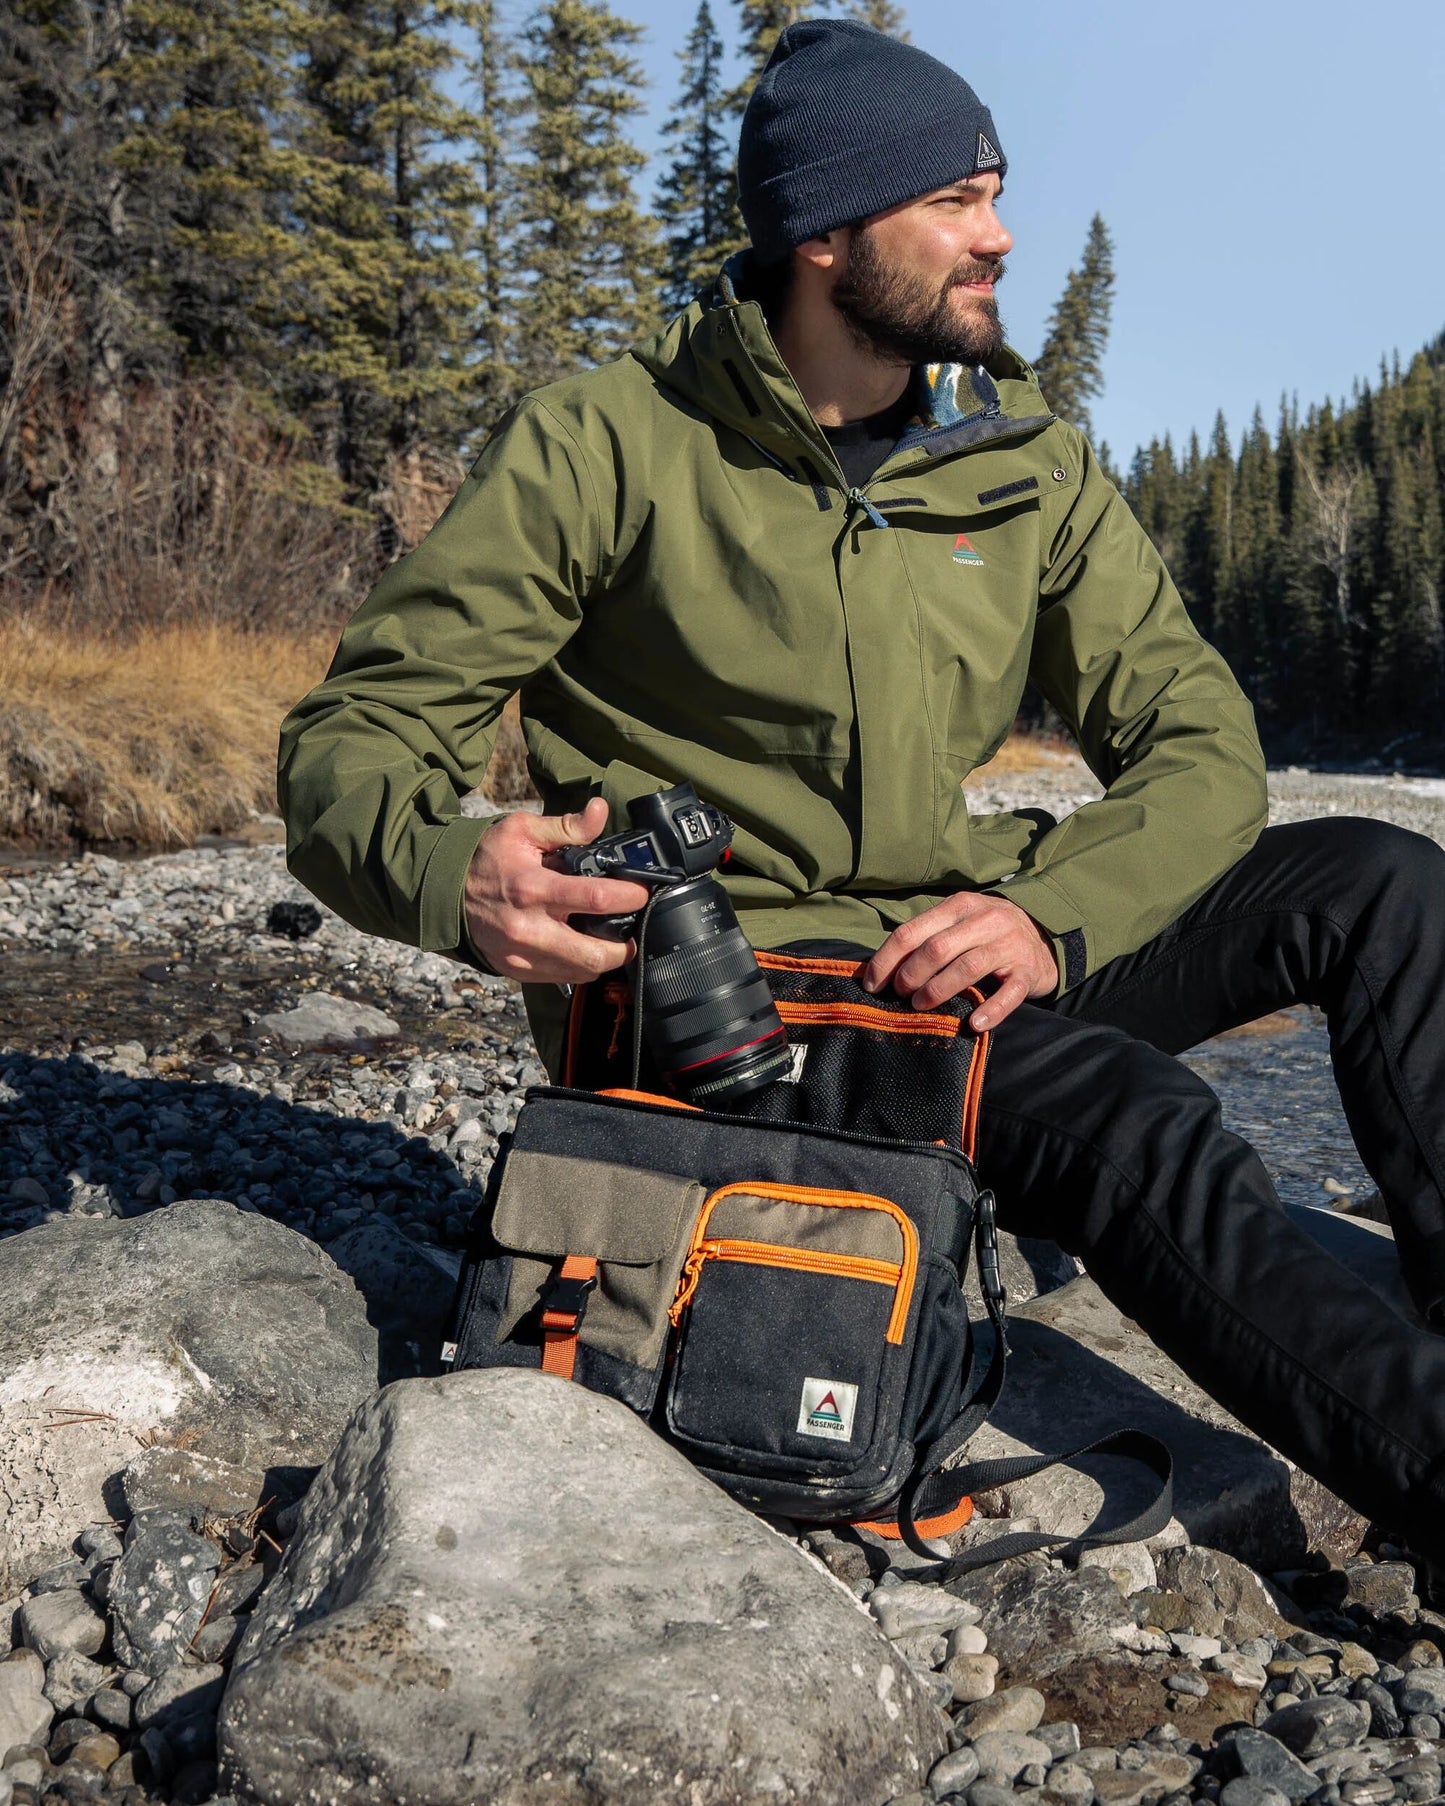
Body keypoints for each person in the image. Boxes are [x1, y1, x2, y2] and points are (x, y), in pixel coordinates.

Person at [279, 19, 1445, 1565]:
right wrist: (458, 871)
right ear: (826, 235)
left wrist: (1047, 913)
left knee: (1376, 881)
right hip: (733, 1008)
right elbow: (351, 741)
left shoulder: (1018, 468)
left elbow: (1203, 745)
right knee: (1129, 1117)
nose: (1000, 234)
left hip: (947, 951)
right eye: (958, 200)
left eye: (997, 192)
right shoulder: (613, 442)